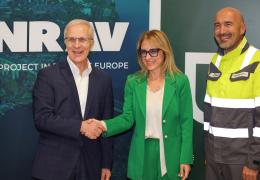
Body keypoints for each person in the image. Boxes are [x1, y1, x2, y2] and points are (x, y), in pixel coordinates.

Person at [87, 30, 193, 180]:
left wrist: (186, 158)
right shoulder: (133, 81)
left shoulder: (180, 81)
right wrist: (102, 125)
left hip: (171, 155)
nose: (148, 57)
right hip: (142, 154)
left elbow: (186, 123)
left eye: (153, 51)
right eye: (144, 52)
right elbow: (127, 118)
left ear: (164, 52)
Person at [31, 19, 113, 180]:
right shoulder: (48, 75)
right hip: (54, 167)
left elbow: (106, 122)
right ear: (65, 43)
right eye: (71, 39)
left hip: (91, 166)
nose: (77, 45)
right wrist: (80, 126)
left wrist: (106, 163)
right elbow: (42, 118)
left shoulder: (104, 79)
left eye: (82, 39)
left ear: (91, 43)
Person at [204, 7, 260, 180]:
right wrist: (208, 152)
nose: (222, 31)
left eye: (228, 24)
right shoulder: (215, 60)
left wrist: (253, 162)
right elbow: (208, 111)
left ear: (242, 28)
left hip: (242, 161)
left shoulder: (256, 60)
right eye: (217, 25)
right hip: (214, 158)